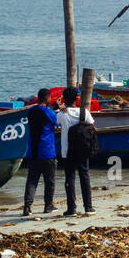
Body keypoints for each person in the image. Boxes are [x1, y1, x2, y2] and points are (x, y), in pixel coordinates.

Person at [56, 86, 95, 216]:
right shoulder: (84, 112)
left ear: (64, 99)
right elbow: (92, 126)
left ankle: (71, 208)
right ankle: (88, 207)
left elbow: (56, 122)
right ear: (77, 99)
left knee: (70, 178)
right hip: (83, 149)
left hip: (68, 151)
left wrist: (60, 106)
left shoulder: (62, 114)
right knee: (85, 177)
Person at [22, 88, 59, 215]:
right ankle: (48, 205)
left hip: (33, 151)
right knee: (50, 180)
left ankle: (27, 206)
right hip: (47, 151)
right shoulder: (49, 112)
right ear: (48, 98)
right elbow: (57, 123)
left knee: (32, 180)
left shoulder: (30, 111)